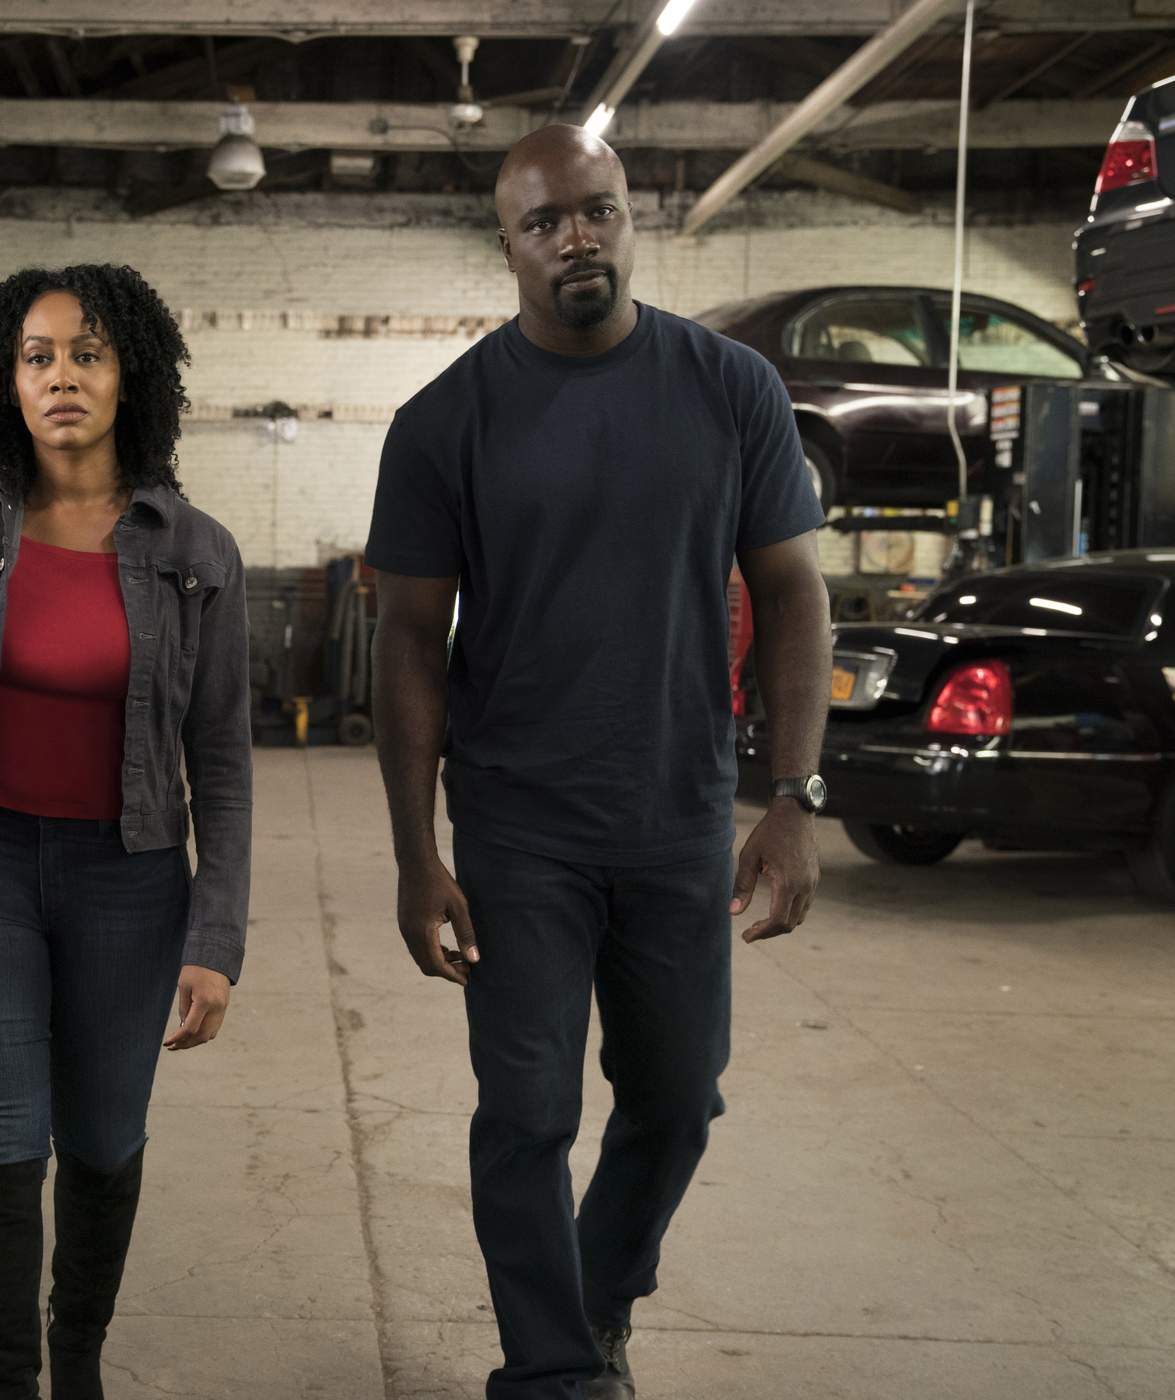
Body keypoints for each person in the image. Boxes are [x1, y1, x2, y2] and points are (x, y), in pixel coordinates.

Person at [366, 126, 832, 1400]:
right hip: (519, 829)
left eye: (599, 211)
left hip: (680, 817)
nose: (577, 237)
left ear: (632, 216)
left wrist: (793, 799)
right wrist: (419, 852)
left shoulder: (731, 388)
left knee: (678, 1100)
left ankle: (598, 1290)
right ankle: (557, 1369)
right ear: (508, 243)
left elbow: (795, 596)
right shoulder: (445, 420)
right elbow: (407, 640)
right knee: (526, 1113)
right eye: (545, 222)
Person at [0, 263, 253, 1400]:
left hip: (132, 881)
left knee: (108, 1139)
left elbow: (219, 758)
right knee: (4, 1135)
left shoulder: (197, 553)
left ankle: (79, 1366)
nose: (62, 374)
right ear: (4, 381)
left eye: (88, 352)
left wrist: (218, 934)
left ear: (133, 376)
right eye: (37, 355)